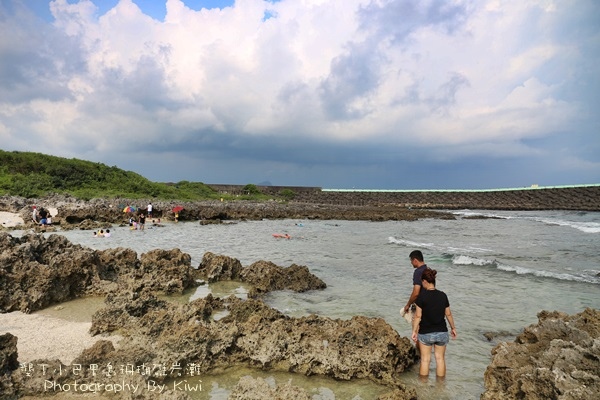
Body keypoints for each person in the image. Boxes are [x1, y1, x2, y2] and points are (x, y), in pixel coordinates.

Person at [411, 268, 457, 379]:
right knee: (440, 359)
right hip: (442, 332)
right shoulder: (443, 295)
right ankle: (440, 387)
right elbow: (448, 314)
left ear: (425, 281)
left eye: (422, 282)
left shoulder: (422, 297)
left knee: (425, 360)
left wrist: (414, 331)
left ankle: (423, 387)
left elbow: (418, 316)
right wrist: (453, 328)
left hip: (426, 333)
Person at [403, 250, 428, 315]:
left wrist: (408, 305)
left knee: (416, 324)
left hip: (420, 305)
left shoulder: (418, 272)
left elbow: (416, 293)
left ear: (415, 260)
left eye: (411, 260)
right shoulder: (428, 270)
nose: (411, 263)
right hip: (429, 304)